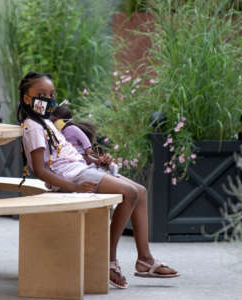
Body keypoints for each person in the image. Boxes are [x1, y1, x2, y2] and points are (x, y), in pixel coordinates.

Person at [18, 71, 179, 289]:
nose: (48, 98)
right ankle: (108, 260)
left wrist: (97, 160)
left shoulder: (46, 122)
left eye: (52, 94)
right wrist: (75, 187)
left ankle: (145, 260)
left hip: (82, 169)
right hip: (72, 177)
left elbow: (68, 154)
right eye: (41, 94)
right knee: (129, 194)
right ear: (27, 98)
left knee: (140, 191)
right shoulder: (33, 126)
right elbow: (41, 170)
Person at [50, 105, 119, 177]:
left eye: (54, 121)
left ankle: (109, 166)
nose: (53, 124)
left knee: (91, 160)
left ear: (62, 120)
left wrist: (87, 148)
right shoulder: (59, 132)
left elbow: (83, 138)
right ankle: (104, 166)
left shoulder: (72, 128)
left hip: (78, 151)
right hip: (71, 152)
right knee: (89, 162)